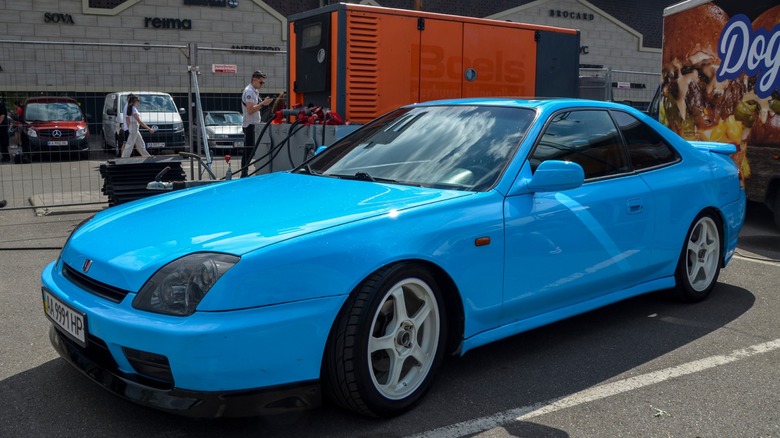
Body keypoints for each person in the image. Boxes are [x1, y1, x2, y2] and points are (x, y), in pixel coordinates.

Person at [241, 70, 273, 177]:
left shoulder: (254, 91)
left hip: (253, 124)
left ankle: (245, 171)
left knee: (251, 150)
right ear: (254, 80)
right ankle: (244, 172)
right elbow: (250, 110)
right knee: (249, 150)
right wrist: (263, 103)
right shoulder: (249, 92)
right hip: (250, 125)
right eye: (261, 82)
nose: (262, 85)